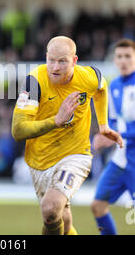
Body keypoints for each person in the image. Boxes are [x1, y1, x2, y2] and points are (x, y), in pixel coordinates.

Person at [11, 35, 123, 235]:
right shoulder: (34, 82)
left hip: (76, 155)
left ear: (74, 60)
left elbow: (101, 87)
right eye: (51, 60)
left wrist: (103, 125)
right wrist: (56, 120)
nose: (55, 67)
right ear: (45, 57)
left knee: (50, 208)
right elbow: (18, 131)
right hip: (40, 161)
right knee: (60, 219)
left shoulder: (87, 77)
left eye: (62, 61)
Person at [91, 38, 135, 235]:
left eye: (128, 56)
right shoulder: (114, 85)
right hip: (120, 160)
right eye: (119, 56)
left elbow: (122, 129)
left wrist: (116, 135)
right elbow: (115, 121)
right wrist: (106, 134)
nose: (123, 60)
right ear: (115, 60)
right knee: (98, 205)